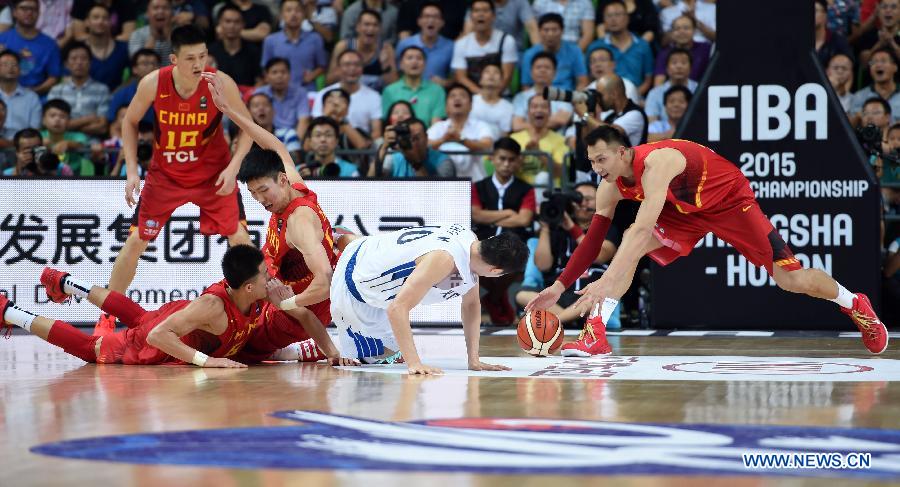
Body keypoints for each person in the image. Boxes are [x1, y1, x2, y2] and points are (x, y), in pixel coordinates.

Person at [525, 126, 889, 357]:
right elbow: (592, 242)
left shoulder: (658, 164)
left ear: (622, 152)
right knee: (632, 249)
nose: (597, 169)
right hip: (683, 210)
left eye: (601, 159)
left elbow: (639, 228)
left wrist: (604, 281)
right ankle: (596, 333)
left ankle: (854, 302)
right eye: (591, 162)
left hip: (730, 203)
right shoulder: (609, 185)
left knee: (790, 280)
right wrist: (559, 287)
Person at [99, 25, 254, 335]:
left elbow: (247, 127)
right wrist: (132, 171)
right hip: (166, 176)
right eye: (190, 58)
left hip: (214, 175)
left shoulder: (220, 83)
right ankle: (107, 317)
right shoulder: (153, 83)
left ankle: (257, 317)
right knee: (135, 241)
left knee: (241, 242)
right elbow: (129, 122)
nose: (198, 64)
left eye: (203, 56)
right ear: (174, 59)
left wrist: (235, 165)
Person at [205, 69, 352, 364]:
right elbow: (274, 145)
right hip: (271, 288)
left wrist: (286, 302)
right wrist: (229, 111)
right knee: (210, 307)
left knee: (227, 346)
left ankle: (301, 349)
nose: (260, 200)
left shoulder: (299, 222)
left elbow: (325, 281)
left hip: (292, 307)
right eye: (254, 193)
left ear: (281, 181)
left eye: (263, 191)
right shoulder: (293, 184)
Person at [0, 245, 357, 366]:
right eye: (266, 275)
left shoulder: (259, 295)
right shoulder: (214, 308)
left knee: (136, 313)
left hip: (179, 318)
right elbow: (157, 336)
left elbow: (306, 316)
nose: (273, 278)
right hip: (162, 343)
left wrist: (330, 352)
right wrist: (207, 362)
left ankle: (65, 282)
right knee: (96, 349)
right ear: (249, 287)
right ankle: (8, 311)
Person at [331, 224, 528, 374]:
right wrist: (414, 363)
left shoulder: (470, 242)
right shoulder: (445, 260)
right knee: (377, 357)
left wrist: (473, 360)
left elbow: (471, 305)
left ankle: (342, 239)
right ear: (495, 271)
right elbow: (396, 308)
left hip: (366, 248)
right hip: (355, 290)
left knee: (398, 348)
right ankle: (314, 345)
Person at [515, 182, 623, 328]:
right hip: (559, 295)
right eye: (578, 199)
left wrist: (572, 228)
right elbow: (542, 265)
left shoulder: (609, 228)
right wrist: (545, 228)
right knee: (523, 295)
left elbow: (600, 256)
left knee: (598, 297)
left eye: (588, 199)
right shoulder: (557, 231)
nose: (582, 203)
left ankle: (557, 321)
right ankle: (569, 318)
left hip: (590, 292)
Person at [471, 137, 535, 325]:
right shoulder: (478, 186)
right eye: (502, 158)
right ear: (493, 158)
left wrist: (488, 215)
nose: (506, 164)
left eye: (511, 159)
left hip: (514, 241)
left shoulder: (526, 189)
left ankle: (493, 298)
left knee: (515, 253)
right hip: (483, 239)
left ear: (518, 161)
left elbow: (524, 218)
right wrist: (508, 213)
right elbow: (477, 215)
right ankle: (496, 298)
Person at [427, 82, 496, 180]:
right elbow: (425, 145)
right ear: (446, 107)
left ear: (471, 105)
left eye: (462, 96)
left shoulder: (481, 126)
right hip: (444, 185)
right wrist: (443, 140)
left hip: (475, 184)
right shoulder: (438, 127)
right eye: (452, 96)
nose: (457, 98)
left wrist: (461, 139)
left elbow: (487, 144)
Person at [586, 0, 654, 96]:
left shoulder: (642, 45)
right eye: (609, 16)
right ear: (604, 20)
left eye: (617, 15)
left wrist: (632, 97)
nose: (613, 19)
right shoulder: (595, 47)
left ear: (627, 17)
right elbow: (589, 77)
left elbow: (648, 80)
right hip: (603, 97)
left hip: (635, 96)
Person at [451, 0, 518, 94]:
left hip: (500, 95)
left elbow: (507, 76)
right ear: (470, 16)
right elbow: (461, 77)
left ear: (494, 16)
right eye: (476, 11)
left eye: (485, 10)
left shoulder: (507, 40)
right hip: (473, 98)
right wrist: (482, 96)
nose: (480, 14)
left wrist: (493, 96)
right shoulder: (461, 44)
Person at [260, 0, 326, 92]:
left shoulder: (315, 39)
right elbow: (265, 68)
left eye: (298, 11)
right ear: (281, 15)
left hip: (307, 91)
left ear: (304, 15)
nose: (293, 14)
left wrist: (311, 76)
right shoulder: (270, 40)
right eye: (288, 10)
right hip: (279, 92)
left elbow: (322, 66)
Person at [48, 41, 111, 137]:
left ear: (90, 63)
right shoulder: (56, 91)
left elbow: (102, 128)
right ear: (66, 64)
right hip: (63, 143)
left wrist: (69, 126)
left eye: (84, 58)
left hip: (91, 146)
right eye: (74, 59)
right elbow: (51, 125)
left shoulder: (102, 90)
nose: (79, 62)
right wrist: (88, 119)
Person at [0, 0, 61, 95]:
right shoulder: (2, 40)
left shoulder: (50, 44)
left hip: (37, 98)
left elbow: (53, 77)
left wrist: (33, 92)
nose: (29, 12)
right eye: (24, 9)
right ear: (14, 12)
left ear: (39, 14)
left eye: (33, 9)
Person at [328, 8, 397, 92]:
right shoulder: (343, 47)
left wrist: (385, 66)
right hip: (347, 97)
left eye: (375, 25)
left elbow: (394, 86)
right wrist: (347, 68)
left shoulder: (386, 49)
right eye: (367, 24)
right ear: (358, 27)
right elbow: (329, 81)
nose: (371, 29)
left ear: (380, 29)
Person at [520, 13, 588, 91]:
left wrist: (576, 99)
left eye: (554, 30)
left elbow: (582, 82)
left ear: (562, 31)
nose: (550, 34)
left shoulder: (575, 51)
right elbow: (526, 85)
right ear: (539, 31)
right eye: (546, 30)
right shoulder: (529, 54)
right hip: (538, 98)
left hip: (565, 98)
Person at [381, 46, 446, 127]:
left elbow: (436, 125)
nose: (414, 62)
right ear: (401, 64)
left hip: (428, 137)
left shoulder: (437, 91)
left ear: (425, 64)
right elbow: (387, 122)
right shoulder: (389, 91)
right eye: (409, 58)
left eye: (419, 58)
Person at [394, 1, 454, 85]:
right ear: (419, 21)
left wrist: (445, 83)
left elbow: (455, 77)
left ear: (442, 23)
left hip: (437, 93)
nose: (431, 20)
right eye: (427, 16)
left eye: (436, 17)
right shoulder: (405, 44)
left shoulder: (450, 46)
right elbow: (396, 72)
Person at [253, 57, 310, 136]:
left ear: (290, 74)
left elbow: (304, 120)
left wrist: (296, 142)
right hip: (266, 136)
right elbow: (253, 121)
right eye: (274, 72)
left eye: (283, 72)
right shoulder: (260, 93)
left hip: (292, 135)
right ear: (266, 76)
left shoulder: (300, 93)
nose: (279, 76)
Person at [210, 3, 262, 88]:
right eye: (228, 21)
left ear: (243, 24)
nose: (232, 26)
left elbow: (260, 81)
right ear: (220, 23)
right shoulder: (210, 52)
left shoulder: (253, 52)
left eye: (237, 22)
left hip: (246, 98)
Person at [383, 117, 454, 178]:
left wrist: (416, 163)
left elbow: (435, 192)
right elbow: (374, 181)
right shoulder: (395, 158)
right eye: (408, 138)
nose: (412, 142)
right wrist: (383, 148)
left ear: (426, 138)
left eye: (416, 138)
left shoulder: (443, 162)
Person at [82, 3, 130, 92]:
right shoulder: (78, 49)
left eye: (105, 18)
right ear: (87, 22)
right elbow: (68, 78)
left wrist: (119, 92)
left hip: (116, 100)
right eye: (96, 17)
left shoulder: (123, 48)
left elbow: (134, 75)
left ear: (110, 23)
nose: (100, 21)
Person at [653, 14, 711, 87]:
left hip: (700, 93)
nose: (681, 31)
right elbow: (658, 83)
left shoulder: (705, 48)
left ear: (694, 30)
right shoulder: (664, 53)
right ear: (672, 32)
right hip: (673, 93)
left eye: (686, 28)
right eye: (677, 28)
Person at [40, 98, 93, 176]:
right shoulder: (38, 136)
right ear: (43, 120)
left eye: (62, 116)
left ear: (68, 121)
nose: (57, 119)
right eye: (52, 116)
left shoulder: (77, 136)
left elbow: (83, 144)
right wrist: (38, 143)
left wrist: (69, 144)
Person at [0, 50, 42, 139]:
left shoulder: (31, 97)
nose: (10, 68)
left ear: (20, 69)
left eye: (14, 64)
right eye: (5, 64)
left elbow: (35, 130)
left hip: (22, 147)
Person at [3, 126, 73, 176]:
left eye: (37, 148)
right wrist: (19, 170)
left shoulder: (63, 169)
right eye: (27, 150)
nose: (34, 153)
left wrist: (48, 170)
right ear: (17, 152)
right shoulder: (7, 175)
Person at [469, 63, 513, 137]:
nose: (491, 75)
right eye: (487, 72)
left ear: (501, 82)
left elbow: (505, 134)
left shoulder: (508, 107)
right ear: (480, 80)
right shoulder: (470, 102)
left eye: (496, 72)